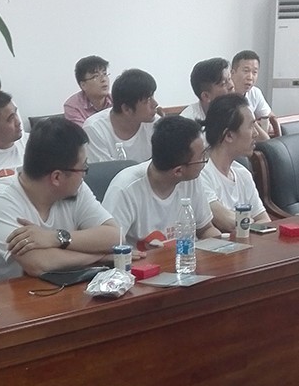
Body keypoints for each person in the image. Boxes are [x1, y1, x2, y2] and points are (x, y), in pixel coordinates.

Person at [0, 117, 119, 283]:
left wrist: (54, 237)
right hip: (5, 296)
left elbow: (115, 236)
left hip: (64, 289)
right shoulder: (0, 200)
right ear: (57, 177)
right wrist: (101, 255)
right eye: (83, 167)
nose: (84, 174)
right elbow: (39, 264)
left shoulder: (76, 188)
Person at [102, 115, 220, 251]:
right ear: (178, 171)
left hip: (185, 260)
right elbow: (110, 248)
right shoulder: (125, 189)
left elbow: (205, 229)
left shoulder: (191, 179)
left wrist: (224, 246)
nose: (205, 162)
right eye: (202, 157)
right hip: (141, 263)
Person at [201, 93, 270, 233]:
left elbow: (265, 220)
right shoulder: (201, 174)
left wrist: (244, 222)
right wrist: (250, 222)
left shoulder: (243, 173)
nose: (256, 133)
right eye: (251, 126)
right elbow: (227, 222)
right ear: (229, 135)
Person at [83, 69, 158, 163]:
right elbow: (104, 171)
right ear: (126, 109)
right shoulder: (94, 128)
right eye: (147, 100)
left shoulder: (156, 125)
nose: (155, 104)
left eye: (152, 97)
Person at [231, 50, 276, 140]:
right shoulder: (224, 94)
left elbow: (269, 116)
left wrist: (269, 124)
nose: (250, 77)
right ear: (232, 73)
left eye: (254, 72)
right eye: (246, 71)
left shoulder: (255, 92)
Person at [63, 55, 112, 126]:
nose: (104, 79)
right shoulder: (73, 106)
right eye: (96, 76)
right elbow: (82, 132)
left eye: (104, 74)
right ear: (83, 85)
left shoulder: (116, 100)